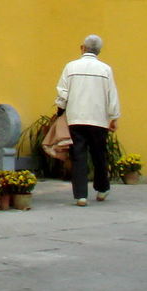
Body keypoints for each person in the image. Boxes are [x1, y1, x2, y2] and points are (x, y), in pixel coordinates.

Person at [55, 34, 120, 206]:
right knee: (99, 154)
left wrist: (59, 111)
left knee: (78, 156)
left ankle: (81, 195)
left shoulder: (70, 67)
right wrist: (113, 117)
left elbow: (63, 93)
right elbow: (111, 95)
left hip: (76, 117)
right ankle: (102, 188)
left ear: (82, 47)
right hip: (98, 119)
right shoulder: (105, 69)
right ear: (99, 50)